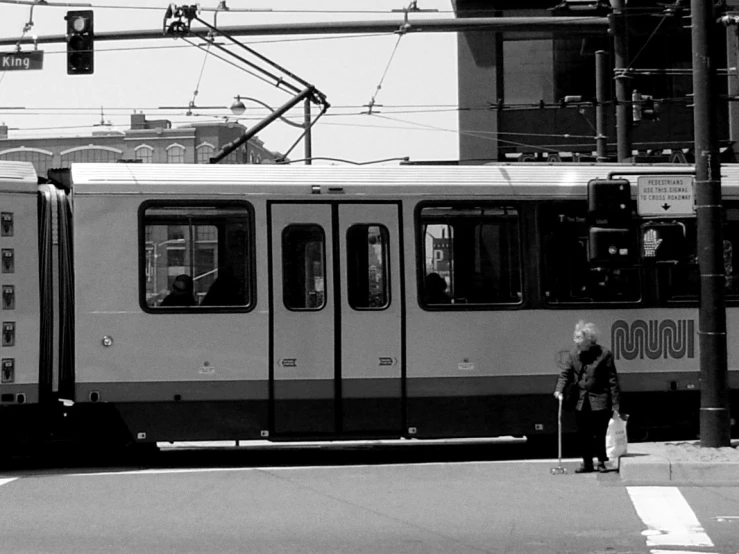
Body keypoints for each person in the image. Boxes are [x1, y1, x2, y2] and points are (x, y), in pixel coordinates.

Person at [553, 320, 621, 473]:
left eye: (578, 338)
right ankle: (587, 463)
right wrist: (559, 390)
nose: (575, 341)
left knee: (600, 433)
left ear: (589, 339)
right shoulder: (573, 354)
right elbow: (565, 373)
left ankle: (602, 462)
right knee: (584, 434)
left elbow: (612, 380)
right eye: (575, 337)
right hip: (581, 399)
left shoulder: (604, 354)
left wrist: (615, 403)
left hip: (600, 399)